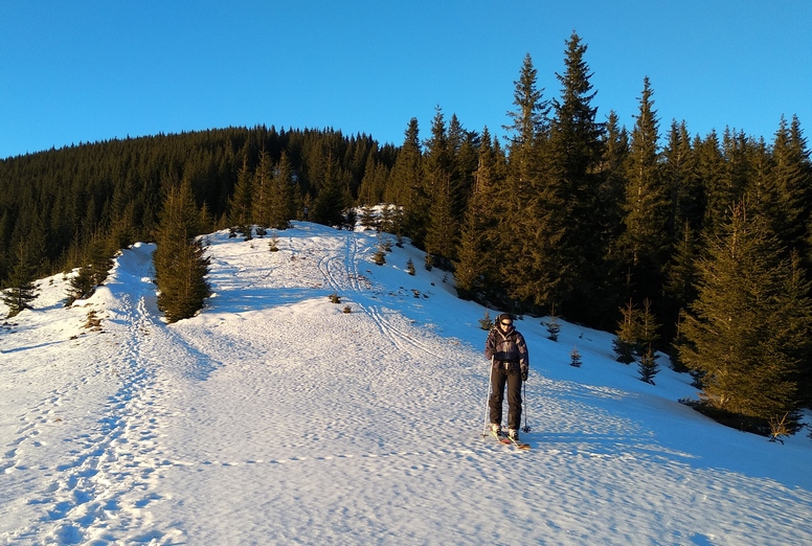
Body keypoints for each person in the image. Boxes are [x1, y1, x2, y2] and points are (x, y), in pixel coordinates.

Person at [484, 313, 529, 441]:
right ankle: (495, 423)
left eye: (509, 324)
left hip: (514, 369)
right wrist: (491, 353)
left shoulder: (517, 336)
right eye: (504, 324)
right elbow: (487, 352)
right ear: (500, 323)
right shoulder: (494, 334)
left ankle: (513, 428)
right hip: (498, 367)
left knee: (514, 398)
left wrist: (524, 368)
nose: (507, 327)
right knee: (496, 396)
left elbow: (523, 352)